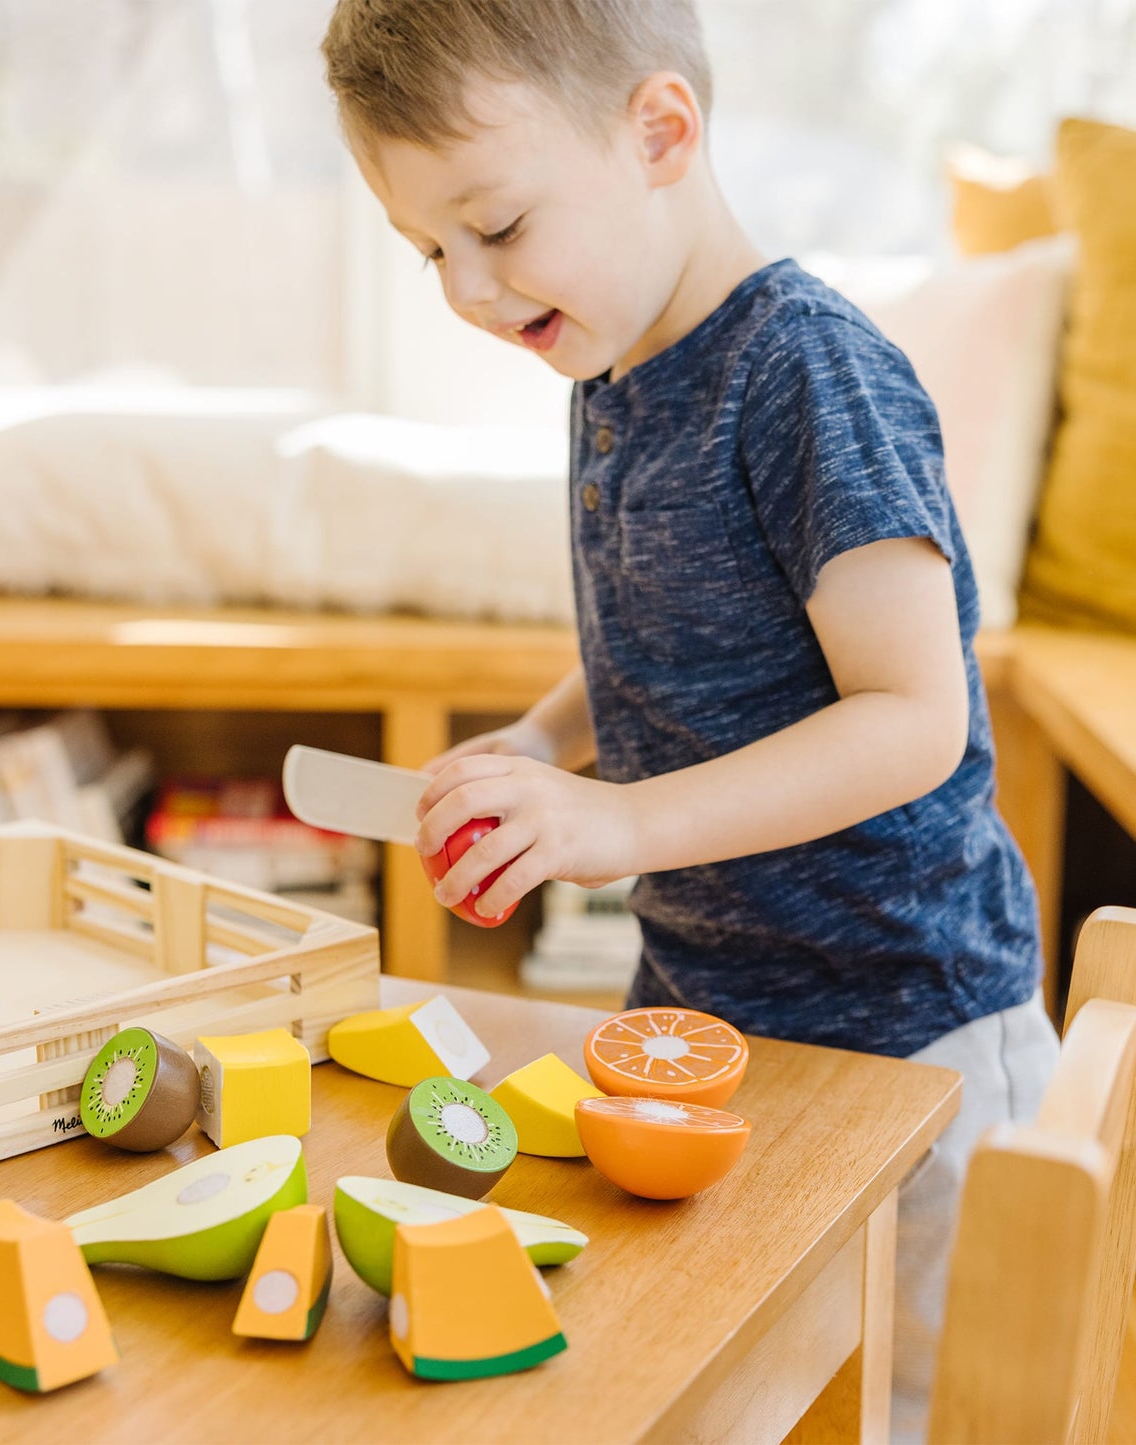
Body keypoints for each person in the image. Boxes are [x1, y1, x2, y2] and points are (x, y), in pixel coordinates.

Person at [321, 0, 1060, 1436]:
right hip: (709, 1015)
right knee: (711, 1378)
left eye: (499, 225)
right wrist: (543, 748)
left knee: (904, 1406)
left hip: (905, 1031)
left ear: (659, 133)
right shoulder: (609, 367)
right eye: (429, 254)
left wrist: (624, 818)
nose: (468, 291)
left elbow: (913, 715)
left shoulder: (807, 374)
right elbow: (671, 638)